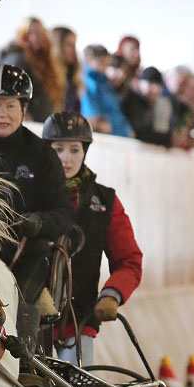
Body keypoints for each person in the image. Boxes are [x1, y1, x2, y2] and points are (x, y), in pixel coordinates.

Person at [0, 64, 73, 338]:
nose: (3, 114)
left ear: (24, 109)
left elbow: (63, 214)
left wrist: (38, 222)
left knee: (17, 312)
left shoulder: (42, 154)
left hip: (26, 255)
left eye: (11, 106)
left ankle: (24, 367)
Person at [42, 112, 143, 367]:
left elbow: (129, 260)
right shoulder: (28, 194)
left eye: (74, 150)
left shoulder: (105, 201)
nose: (67, 158)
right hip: (25, 320)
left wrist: (112, 293)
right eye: (58, 149)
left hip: (78, 322)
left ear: (84, 152)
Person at [0, 17, 64, 122]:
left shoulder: (46, 62)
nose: (34, 38)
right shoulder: (18, 60)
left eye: (38, 34)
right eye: (29, 33)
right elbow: (10, 93)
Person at [80, 44, 133, 138]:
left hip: (116, 133)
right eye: (102, 62)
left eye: (106, 63)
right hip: (104, 135)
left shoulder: (104, 82)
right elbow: (92, 116)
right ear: (89, 60)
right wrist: (101, 125)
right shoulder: (89, 81)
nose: (105, 67)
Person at [121, 66, 173, 147]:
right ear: (139, 82)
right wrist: (167, 139)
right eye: (151, 83)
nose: (155, 89)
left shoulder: (149, 103)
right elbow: (139, 133)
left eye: (158, 85)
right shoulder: (131, 99)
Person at [51, 26, 81, 113]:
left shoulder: (72, 76)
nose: (73, 50)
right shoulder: (49, 77)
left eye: (74, 45)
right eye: (69, 45)